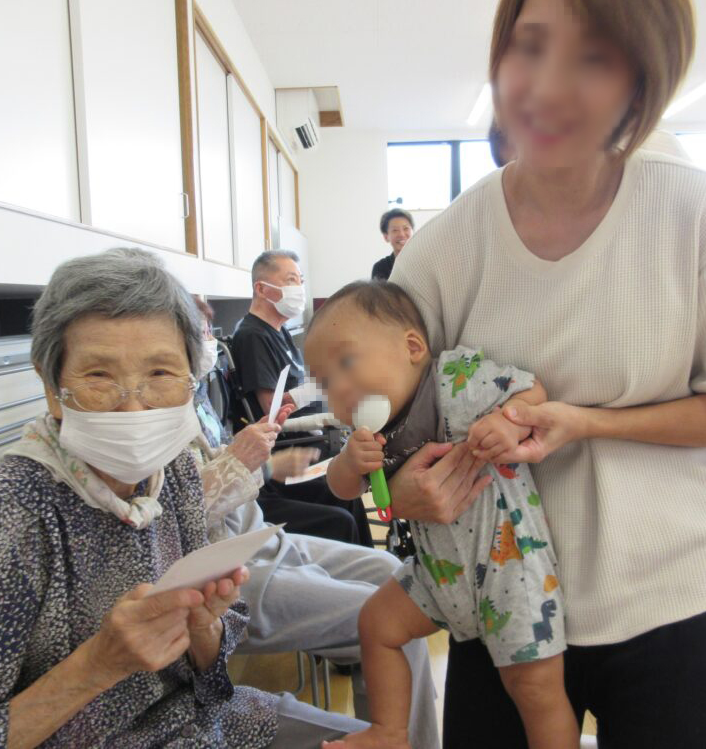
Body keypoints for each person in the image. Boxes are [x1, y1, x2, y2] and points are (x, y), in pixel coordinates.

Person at [384, 0, 706, 747]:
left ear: (643, 81)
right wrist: (399, 489)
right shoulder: (446, 247)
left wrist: (588, 422)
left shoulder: (703, 215)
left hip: (682, 603)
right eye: (530, 48)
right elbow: (377, 415)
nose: (548, 85)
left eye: (593, 59)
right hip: (499, 607)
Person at [0, 248, 368, 748]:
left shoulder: (173, 471)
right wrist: (99, 664)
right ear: (52, 388)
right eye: (98, 376)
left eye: (160, 374)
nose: (133, 406)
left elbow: (213, 666)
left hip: (214, 724)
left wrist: (204, 630)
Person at [305, 281, 577, 749]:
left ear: (412, 347)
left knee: (536, 689)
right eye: (326, 383)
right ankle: (390, 731)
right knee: (377, 624)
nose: (341, 389)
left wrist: (506, 417)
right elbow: (343, 489)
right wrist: (350, 463)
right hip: (436, 574)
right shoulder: (369, 434)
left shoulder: (456, 381)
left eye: (347, 363)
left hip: (510, 570)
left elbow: (534, 391)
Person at [186, 311, 441, 748]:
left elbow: (208, 468)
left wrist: (258, 443)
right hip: (232, 570)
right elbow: (173, 516)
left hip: (259, 534)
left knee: (391, 570)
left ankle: (398, 725)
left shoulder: (193, 400)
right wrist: (252, 463)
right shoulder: (144, 428)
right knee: (397, 625)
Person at [232, 250, 373, 547]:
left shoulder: (279, 332)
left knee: (352, 488)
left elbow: (303, 390)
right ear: (262, 288)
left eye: (301, 280)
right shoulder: (253, 336)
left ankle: (374, 570)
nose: (299, 287)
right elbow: (273, 409)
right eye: (291, 280)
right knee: (346, 486)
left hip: (314, 436)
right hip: (290, 447)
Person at [372, 209, 415, 281]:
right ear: (386, 237)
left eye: (406, 228)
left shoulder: (425, 262)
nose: (401, 234)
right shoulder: (380, 267)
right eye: (395, 230)